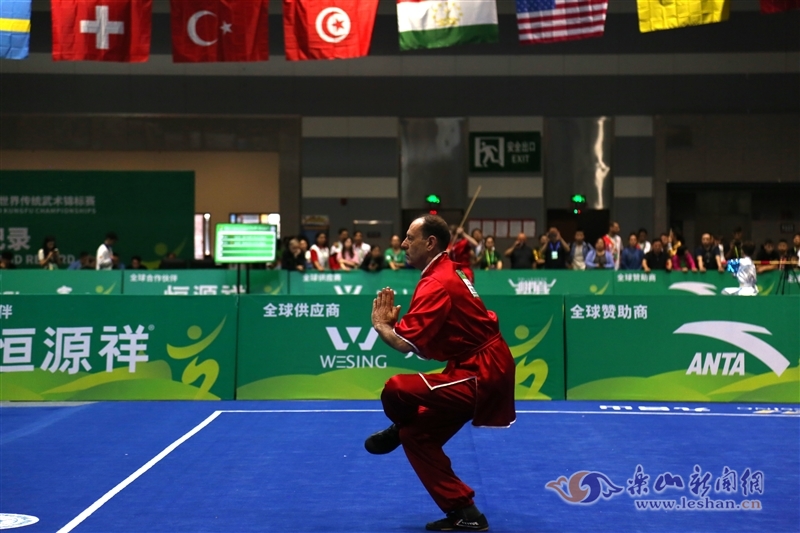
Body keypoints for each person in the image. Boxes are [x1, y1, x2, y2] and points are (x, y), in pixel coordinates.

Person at [365, 215, 515, 532]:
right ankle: (465, 512)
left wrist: (381, 326)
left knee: (395, 388)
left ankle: (400, 422)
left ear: (430, 243)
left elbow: (405, 343)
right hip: (471, 364)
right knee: (415, 436)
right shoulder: (450, 269)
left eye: (410, 237)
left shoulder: (437, 282)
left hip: (482, 371)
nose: (404, 244)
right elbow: (428, 340)